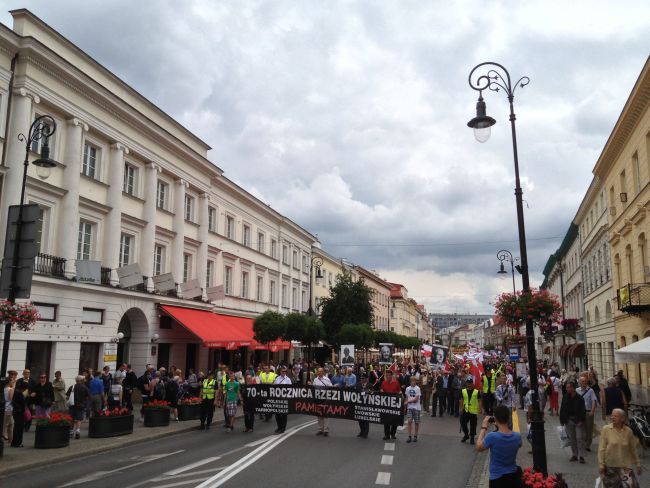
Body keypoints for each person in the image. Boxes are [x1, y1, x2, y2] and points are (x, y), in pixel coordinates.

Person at [476, 405, 522, 487]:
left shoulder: (492, 436)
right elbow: (519, 444)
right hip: (513, 476)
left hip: (497, 478)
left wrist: (483, 428)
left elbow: (478, 447)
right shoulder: (517, 436)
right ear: (508, 418)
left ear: (495, 418)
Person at [598, 408, 642, 487]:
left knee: (631, 485)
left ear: (622, 418)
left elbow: (633, 449)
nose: (612, 417)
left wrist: (638, 464)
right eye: (612, 416)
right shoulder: (606, 429)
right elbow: (601, 449)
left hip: (625, 466)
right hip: (610, 466)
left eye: (616, 416)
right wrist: (601, 465)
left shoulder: (628, 431)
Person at [560, 380, 587, 463]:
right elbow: (562, 408)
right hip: (568, 420)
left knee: (579, 438)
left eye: (568, 387)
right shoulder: (565, 396)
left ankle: (581, 456)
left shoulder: (579, 398)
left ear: (573, 388)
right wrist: (562, 420)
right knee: (572, 438)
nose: (566, 389)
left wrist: (581, 420)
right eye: (566, 387)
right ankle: (575, 454)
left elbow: (583, 410)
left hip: (578, 420)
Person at [576, 374, 598, 452]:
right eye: (582, 381)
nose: (584, 382)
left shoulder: (590, 390)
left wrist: (592, 411)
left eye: (585, 381)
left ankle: (587, 444)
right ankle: (582, 443)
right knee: (580, 429)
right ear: (579, 382)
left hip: (588, 412)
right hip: (579, 413)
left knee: (589, 429)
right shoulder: (577, 390)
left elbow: (593, 401)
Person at [380, 369, 401, 440]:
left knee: (394, 420)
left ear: (392, 376)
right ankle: (387, 435)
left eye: (389, 375)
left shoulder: (396, 383)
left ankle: (393, 434)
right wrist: (381, 391)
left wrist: (400, 394)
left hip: (394, 404)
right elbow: (381, 390)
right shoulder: (383, 383)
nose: (388, 377)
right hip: (386, 404)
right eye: (387, 375)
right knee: (386, 420)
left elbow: (399, 391)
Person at [67, 375, 89, 439]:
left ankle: (71, 432)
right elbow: (87, 397)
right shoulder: (85, 387)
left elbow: (67, 396)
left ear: (76, 381)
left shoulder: (72, 387)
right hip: (81, 405)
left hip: (72, 405)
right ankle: (77, 431)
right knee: (79, 419)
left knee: (72, 418)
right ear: (82, 380)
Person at [312, 367, 333, 436]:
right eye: (319, 371)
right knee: (319, 414)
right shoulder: (315, 380)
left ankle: (326, 430)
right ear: (317, 372)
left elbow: (331, 388)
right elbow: (313, 389)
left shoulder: (327, 379)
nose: (320, 372)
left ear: (323, 372)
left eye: (321, 371)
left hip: (325, 399)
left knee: (326, 415)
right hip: (318, 399)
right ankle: (320, 429)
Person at [460, 377, 480, 444]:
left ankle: (472, 437)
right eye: (468, 383)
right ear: (466, 383)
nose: (469, 384)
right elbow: (461, 400)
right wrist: (461, 408)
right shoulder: (463, 391)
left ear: (472, 383)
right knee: (463, 423)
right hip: (465, 410)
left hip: (473, 411)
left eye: (470, 383)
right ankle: (466, 435)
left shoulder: (476, 391)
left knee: (473, 425)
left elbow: (480, 400)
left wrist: (480, 409)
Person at [273, 366, 292, 433]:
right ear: (280, 372)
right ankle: (279, 427)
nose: (283, 372)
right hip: (277, 398)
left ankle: (283, 428)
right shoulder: (277, 378)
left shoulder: (288, 379)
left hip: (284, 398)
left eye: (285, 371)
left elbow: (290, 389)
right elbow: (274, 387)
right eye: (282, 371)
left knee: (283, 414)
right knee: (277, 414)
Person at [355, 372, 372, 438]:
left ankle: (366, 433)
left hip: (367, 405)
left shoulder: (370, 385)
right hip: (359, 404)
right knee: (360, 419)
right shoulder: (358, 385)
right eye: (361, 378)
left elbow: (373, 393)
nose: (362, 379)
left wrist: (368, 391)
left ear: (366, 379)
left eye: (363, 378)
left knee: (366, 419)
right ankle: (361, 431)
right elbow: (355, 393)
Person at [405, 375, 421, 443]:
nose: (413, 382)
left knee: (416, 422)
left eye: (414, 381)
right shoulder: (407, 388)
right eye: (411, 381)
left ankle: (415, 436)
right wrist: (405, 407)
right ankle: (409, 436)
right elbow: (406, 398)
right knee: (409, 421)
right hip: (410, 407)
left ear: (416, 382)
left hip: (416, 408)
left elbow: (416, 399)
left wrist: (408, 401)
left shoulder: (417, 388)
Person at [11, 379, 27, 447]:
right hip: (20, 411)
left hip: (16, 411)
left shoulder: (16, 392)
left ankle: (14, 442)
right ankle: (17, 443)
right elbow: (23, 403)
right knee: (19, 428)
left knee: (16, 427)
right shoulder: (20, 394)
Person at [3, 374, 16, 445]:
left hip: (5, 408)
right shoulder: (10, 389)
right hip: (8, 408)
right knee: (6, 424)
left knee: (11, 424)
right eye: (12, 381)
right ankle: (4, 436)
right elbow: (11, 399)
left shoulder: (3, 389)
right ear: (9, 382)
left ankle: (10, 439)